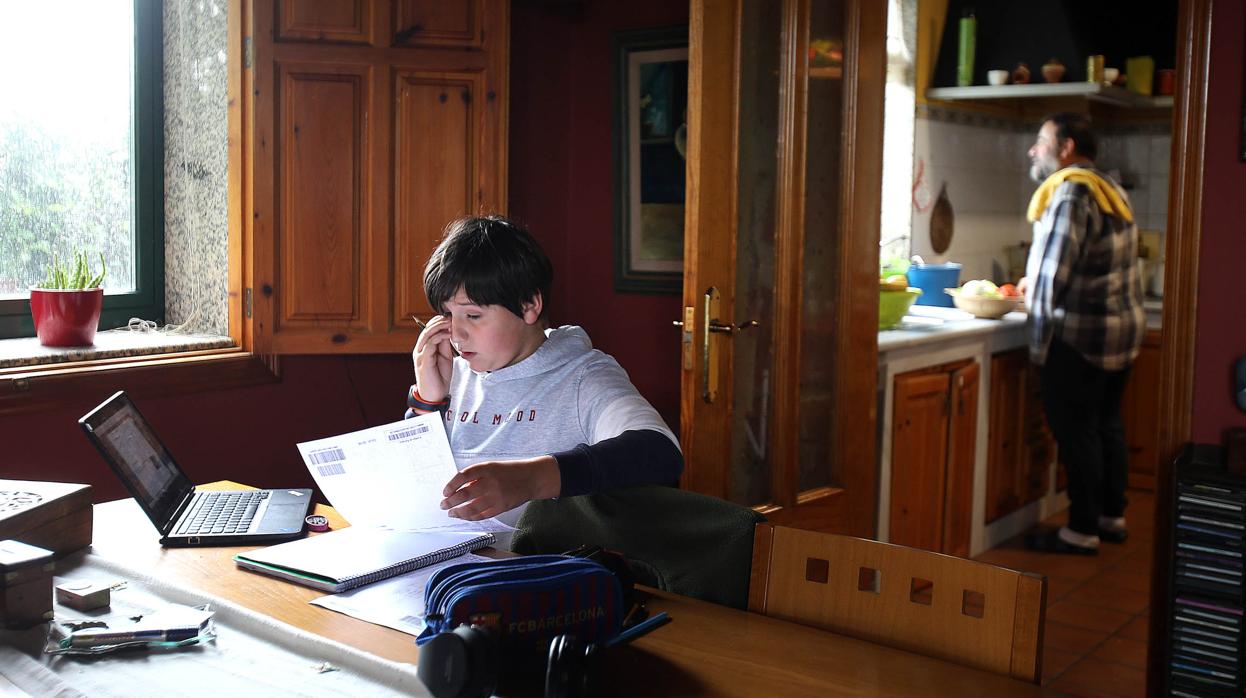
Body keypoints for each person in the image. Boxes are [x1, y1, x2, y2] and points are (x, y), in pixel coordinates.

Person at [406, 215, 683, 544]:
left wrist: (532, 479)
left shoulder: (583, 376)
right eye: (448, 315)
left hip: (541, 575)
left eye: (473, 315)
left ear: (529, 305)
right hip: (446, 563)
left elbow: (661, 452)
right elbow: (415, 497)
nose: (455, 333)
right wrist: (427, 404)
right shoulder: (453, 373)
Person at [1018, 113, 1145, 555]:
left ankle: (1082, 529)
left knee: (1077, 432)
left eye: (1042, 140)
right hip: (1120, 332)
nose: (1035, 149)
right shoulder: (1112, 189)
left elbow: (1053, 275)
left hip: (1081, 337)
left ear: (1066, 147)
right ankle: (1112, 516)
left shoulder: (1072, 192)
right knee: (1107, 425)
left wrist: (1037, 348)